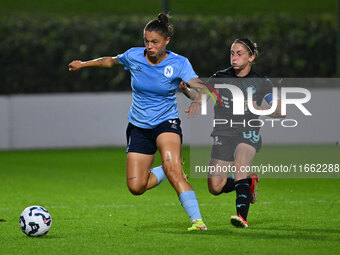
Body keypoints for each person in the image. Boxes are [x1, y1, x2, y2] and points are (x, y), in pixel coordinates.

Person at [68, 13, 207, 231]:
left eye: (155, 42)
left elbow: (199, 88)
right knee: (136, 186)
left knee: (174, 173)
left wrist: (194, 95)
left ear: (166, 41)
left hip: (166, 123)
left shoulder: (179, 63)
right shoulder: (134, 56)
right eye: (146, 41)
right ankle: (168, 167)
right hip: (139, 127)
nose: (149, 46)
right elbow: (109, 61)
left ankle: (197, 221)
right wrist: (83, 64)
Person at [181, 38, 285, 228]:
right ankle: (250, 183)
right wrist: (188, 93)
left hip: (248, 133)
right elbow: (203, 98)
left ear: (251, 57)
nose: (234, 57)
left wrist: (258, 108)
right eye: (232, 53)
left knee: (240, 169)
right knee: (215, 186)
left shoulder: (262, 82)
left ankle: (241, 217)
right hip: (223, 134)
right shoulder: (220, 77)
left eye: (239, 53)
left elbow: (281, 111)